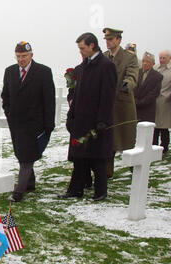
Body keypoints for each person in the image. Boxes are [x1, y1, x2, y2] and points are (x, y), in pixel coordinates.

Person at [59, 32, 117, 201]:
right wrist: (71, 116)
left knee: (97, 158)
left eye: (82, 48)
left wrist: (103, 120)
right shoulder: (82, 67)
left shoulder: (106, 66)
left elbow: (108, 96)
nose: (81, 51)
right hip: (80, 121)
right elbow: (75, 95)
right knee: (79, 158)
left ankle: (101, 191)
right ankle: (76, 189)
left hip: (96, 121)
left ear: (92, 45)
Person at [1, 41, 55, 202]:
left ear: (31, 55)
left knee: (26, 158)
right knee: (21, 154)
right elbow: (6, 95)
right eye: (18, 56)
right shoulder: (9, 72)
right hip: (16, 123)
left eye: (24, 56)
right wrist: (9, 112)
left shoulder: (43, 72)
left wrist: (49, 125)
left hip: (35, 124)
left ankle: (19, 191)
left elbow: (49, 100)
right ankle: (30, 182)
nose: (21, 60)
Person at [103, 28, 139, 178]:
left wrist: (127, 84)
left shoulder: (129, 57)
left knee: (128, 140)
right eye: (106, 39)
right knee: (108, 142)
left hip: (122, 105)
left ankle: (136, 169)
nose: (108, 42)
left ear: (118, 40)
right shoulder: (104, 57)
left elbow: (132, 75)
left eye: (111, 39)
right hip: (107, 106)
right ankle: (107, 172)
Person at [134, 52, 163, 123]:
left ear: (153, 64)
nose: (145, 63)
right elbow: (132, 88)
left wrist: (141, 103)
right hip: (134, 109)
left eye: (148, 62)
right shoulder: (136, 72)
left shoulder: (157, 76)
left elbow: (154, 93)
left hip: (147, 111)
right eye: (143, 61)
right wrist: (135, 101)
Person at [153, 50, 171, 154]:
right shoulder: (156, 68)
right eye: (160, 58)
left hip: (166, 102)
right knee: (155, 126)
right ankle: (154, 146)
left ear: (169, 58)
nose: (161, 60)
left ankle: (164, 147)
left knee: (164, 127)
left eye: (163, 58)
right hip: (154, 101)